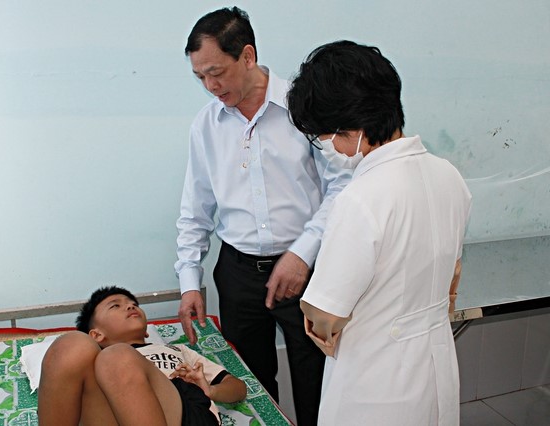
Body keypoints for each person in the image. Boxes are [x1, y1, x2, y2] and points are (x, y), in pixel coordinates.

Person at [175, 6, 350, 425]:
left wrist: (303, 253)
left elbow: (342, 187)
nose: (210, 86)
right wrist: (189, 281)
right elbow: (195, 209)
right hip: (238, 274)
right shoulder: (206, 125)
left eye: (216, 72)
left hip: (306, 270)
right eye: (200, 77)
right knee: (249, 386)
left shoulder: (303, 108)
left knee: (317, 380)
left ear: (248, 56)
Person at [286, 40, 472, 425]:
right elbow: (451, 276)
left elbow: (324, 314)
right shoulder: (449, 176)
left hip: (376, 384)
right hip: (435, 367)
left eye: (326, 135)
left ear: (352, 125)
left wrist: (317, 318)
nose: (328, 146)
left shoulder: (359, 199)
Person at [37, 286, 246, 426]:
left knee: (117, 357)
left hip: (181, 413)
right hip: (108, 415)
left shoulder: (175, 351)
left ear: (146, 332)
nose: (130, 306)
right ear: (96, 335)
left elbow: (238, 389)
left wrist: (210, 390)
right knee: (71, 345)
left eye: (133, 304)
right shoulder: (92, 363)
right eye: (115, 305)